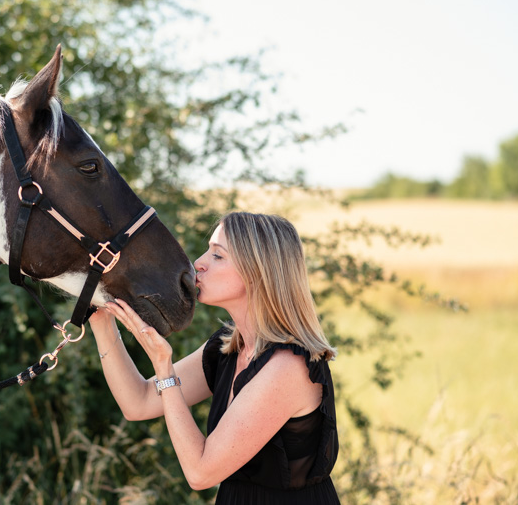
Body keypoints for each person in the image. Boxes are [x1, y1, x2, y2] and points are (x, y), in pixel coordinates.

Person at [89, 212, 340, 504]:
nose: (199, 263)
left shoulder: (288, 367)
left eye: (218, 256)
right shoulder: (227, 350)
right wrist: (101, 320)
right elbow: (139, 402)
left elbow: (200, 473)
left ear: (258, 271)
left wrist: (163, 366)